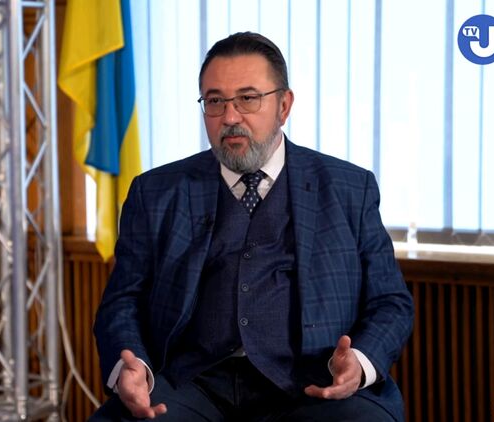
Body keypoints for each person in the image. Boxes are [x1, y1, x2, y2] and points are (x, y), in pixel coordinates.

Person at [90, 32, 414, 422]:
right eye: (215, 101)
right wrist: (132, 366)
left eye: (247, 98)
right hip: (189, 383)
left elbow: (390, 301)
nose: (230, 117)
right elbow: (122, 301)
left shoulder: (349, 188)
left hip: (311, 381)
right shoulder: (156, 192)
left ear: (284, 105)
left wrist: (359, 361)